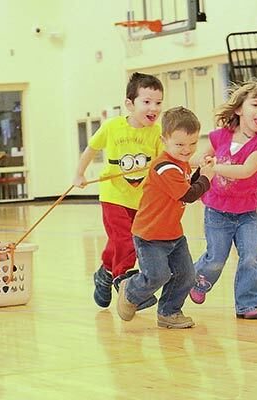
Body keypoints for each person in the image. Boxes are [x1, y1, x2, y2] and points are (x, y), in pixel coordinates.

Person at [116, 106, 214, 328]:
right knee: (157, 275)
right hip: (150, 235)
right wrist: (207, 178)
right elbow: (188, 195)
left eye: (192, 144)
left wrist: (200, 172)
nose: (187, 150)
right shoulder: (165, 167)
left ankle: (169, 312)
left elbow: (187, 183)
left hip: (173, 234)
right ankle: (130, 290)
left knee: (186, 276)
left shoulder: (180, 164)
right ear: (164, 140)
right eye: (180, 144)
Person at [189, 78, 257, 320]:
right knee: (216, 258)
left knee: (251, 257)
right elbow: (197, 159)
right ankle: (194, 280)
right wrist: (193, 162)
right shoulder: (219, 137)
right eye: (256, 104)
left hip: (247, 213)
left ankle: (247, 304)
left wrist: (214, 167)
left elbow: (245, 171)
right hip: (217, 211)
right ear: (239, 109)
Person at [73, 72, 164, 309]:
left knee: (118, 243)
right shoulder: (112, 126)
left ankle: (104, 273)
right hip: (113, 196)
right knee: (125, 240)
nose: (153, 107)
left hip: (141, 199)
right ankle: (126, 284)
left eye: (158, 102)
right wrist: (79, 174)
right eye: (147, 102)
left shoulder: (156, 133)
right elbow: (91, 149)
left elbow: (168, 159)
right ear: (129, 104)